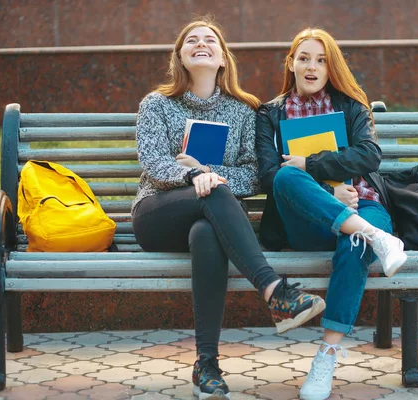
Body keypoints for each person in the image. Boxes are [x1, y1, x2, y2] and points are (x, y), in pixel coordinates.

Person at [132, 17, 325, 400]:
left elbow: (254, 174)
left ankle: (207, 365)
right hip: (157, 213)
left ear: (222, 58)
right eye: (192, 41)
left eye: (210, 41)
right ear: (180, 57)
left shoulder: (243, 111)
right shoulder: (156, 104)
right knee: (216, 193)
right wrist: (191, 178)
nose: (201, 44)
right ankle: (274, 290)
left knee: (207, 230)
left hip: (209, 220)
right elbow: (152, 162)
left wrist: (204, 172)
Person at [255, 28, 408, 400]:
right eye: (304, 58)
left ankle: (326, 355)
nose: (312, 67)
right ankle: (375, 236)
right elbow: (268, 174)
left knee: (353, 244)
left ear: (331, 67)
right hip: (307, 219)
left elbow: (369, 155)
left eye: (321, 60)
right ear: (291, 63)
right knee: (289, 175)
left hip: (365, 203)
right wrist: (328, 190)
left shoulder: (352, 105)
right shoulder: (270, 114)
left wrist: (313, 162)